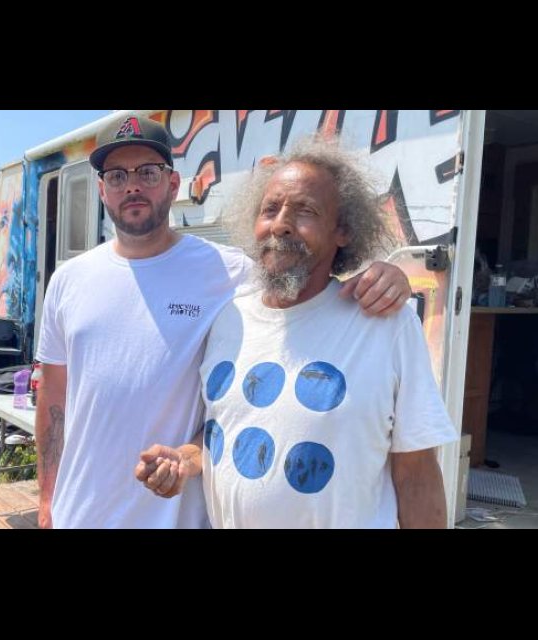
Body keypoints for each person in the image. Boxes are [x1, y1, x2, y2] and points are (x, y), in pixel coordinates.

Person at [37, 115, 413, 529]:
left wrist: (385, 276)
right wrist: (47, 496)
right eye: (116, 176)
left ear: (173, 184)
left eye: (148, 173)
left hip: (176, 518)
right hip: (78, 514)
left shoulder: (229, 272)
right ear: (101, 190)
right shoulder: (67, 281)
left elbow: (299, 277)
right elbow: (54, 397)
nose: (132, 186)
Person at [135, 136, 457, 528]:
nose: (281, 225)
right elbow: (229, 425)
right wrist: (186, 458)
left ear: (343, 230)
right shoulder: (228, 319)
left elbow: (417, 473)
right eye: (270, 209)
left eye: (305, 211)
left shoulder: (385, 324)